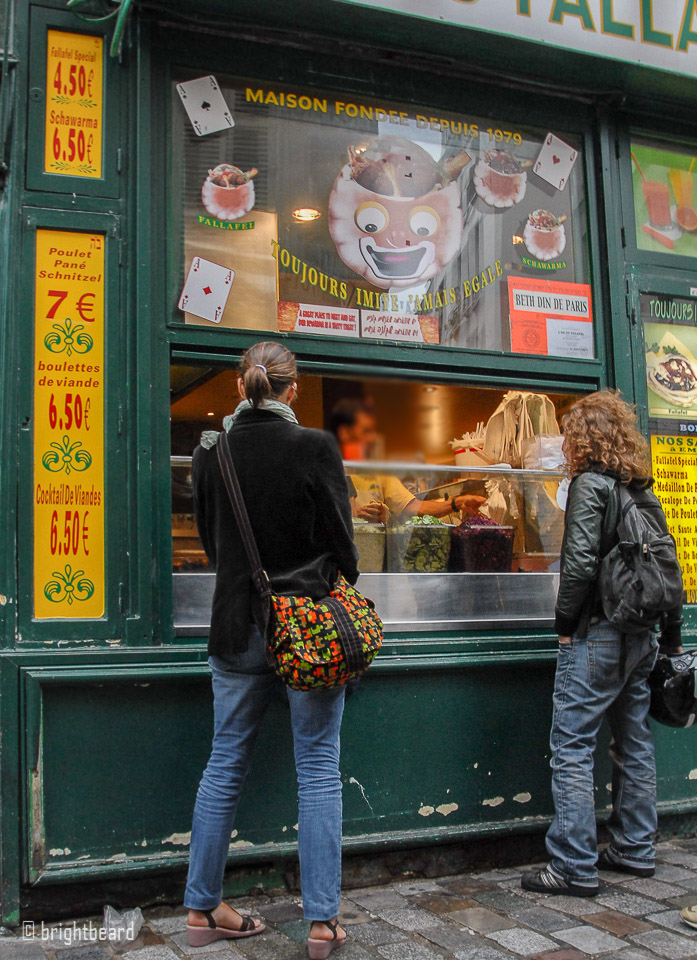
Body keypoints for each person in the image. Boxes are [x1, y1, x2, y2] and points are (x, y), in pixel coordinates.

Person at [185, 341, 359, 959]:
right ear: (293, 387)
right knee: (317, 765)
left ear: (240, 387)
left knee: (225, 762)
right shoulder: (315, 447)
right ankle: (322, 924)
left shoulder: (211, 453)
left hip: (236, 626)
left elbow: (213, 546)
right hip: (307, 628)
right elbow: (347, 550)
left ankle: (202, 909)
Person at [522, 390, 683, 897]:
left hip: (598, 633)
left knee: (571, 745)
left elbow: (578, 564)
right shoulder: (640, 487)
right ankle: (635, 847)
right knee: (633, 740)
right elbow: (669, 567)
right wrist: (671, 638)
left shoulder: (589, 484)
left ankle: (573, 865)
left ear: (580, 439)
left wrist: (565, 624)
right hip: (642, 636)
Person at [329, 398, 485, 522]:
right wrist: (353, 517)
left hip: (374, 548)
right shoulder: (327, 468)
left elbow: (413, 508)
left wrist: (456, 503)